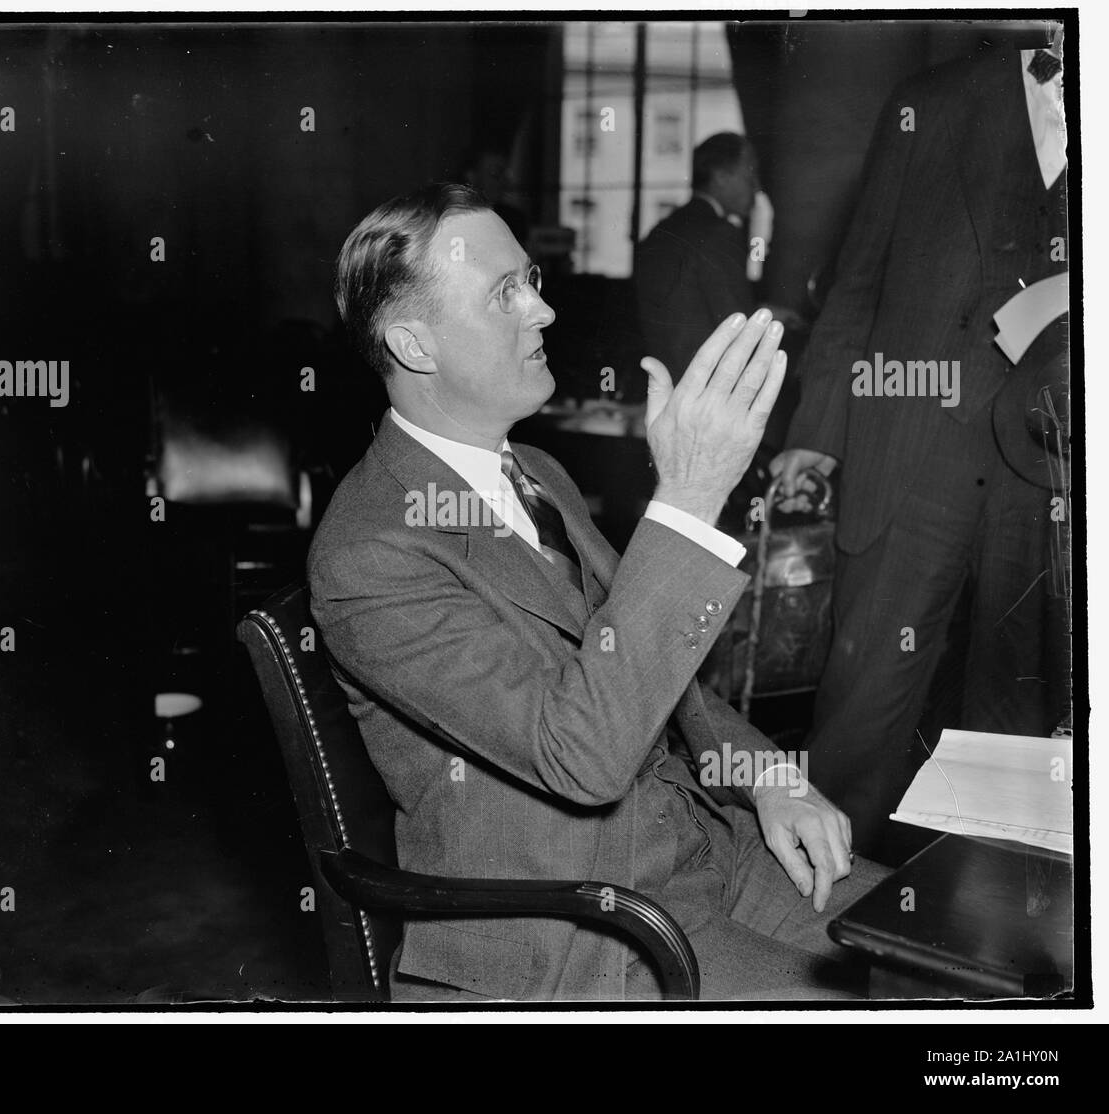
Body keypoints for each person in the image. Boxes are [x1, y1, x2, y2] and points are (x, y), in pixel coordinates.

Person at [307, 182, 887, 1002]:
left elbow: (651, 670)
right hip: (584, 930)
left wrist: (764, 775)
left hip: (704, 848)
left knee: (950, 949)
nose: (542, 313)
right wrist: (685, 499)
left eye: (531, 281)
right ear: (414, 343)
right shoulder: (369, 552)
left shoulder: (537, 472)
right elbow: (579, 758)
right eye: (503, 293)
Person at [769, 39, 1068, 861]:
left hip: (1054, 469)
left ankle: (985, 944)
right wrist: (817, 437)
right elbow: (857, 281)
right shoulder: (931, 102)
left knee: (1022, 731)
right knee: (863, 717)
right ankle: (810, 929)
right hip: (913, 448)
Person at [633, 133, 759, 385]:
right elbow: (738, 324)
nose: (756, 187)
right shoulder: (719, 233)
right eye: (749, 175)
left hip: (663, 382)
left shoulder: (662, 230)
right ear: (721, 176)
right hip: (710, 388)